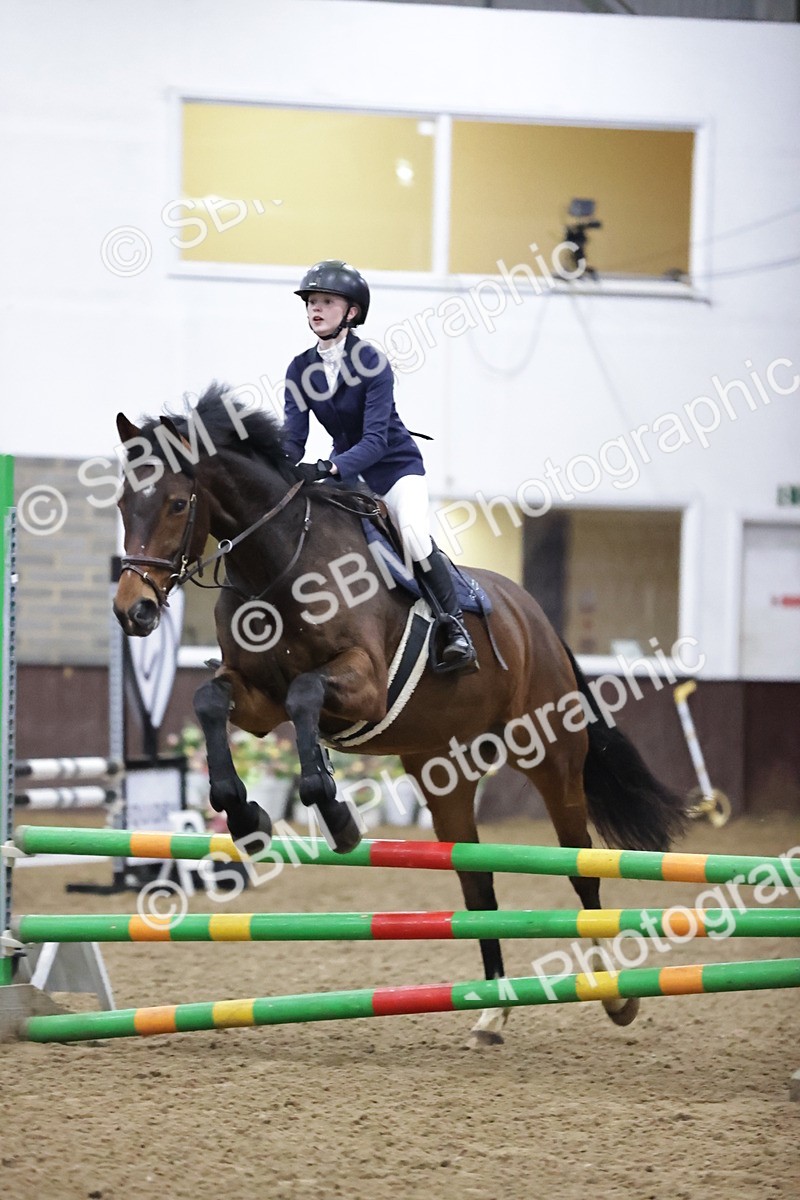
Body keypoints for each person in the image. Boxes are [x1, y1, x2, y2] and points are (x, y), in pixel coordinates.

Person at [282, 259, 476, 672]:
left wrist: (329, 468)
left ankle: (454, 626)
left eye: (326, 302)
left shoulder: (372, 363)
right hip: (348, 477)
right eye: (311, 302)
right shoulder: (299, 368)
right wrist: (274, 467)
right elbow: (292, 439)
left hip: (394, 468)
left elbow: (375, 441)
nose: (315, 309)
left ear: (351, 312)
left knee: (413, 536)